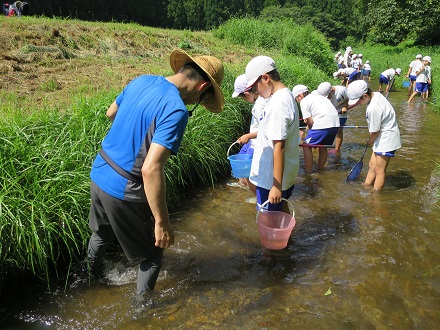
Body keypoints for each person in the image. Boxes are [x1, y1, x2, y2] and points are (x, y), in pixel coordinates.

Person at [87, 49, 225, 293]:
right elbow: (151, 169)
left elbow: (111, 113)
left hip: (99, 172)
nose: (198, 104)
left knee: (101, 233)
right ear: (202, 87)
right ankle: (142, 315)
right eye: (203, 99)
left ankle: (90, 280)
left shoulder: (142, 80)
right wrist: (162, 223)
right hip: (123, 188)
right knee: (153, 253)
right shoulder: (176, 110)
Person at [244, 55, 300, 213]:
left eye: (255, 88)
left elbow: (279, 147)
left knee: (269, 221)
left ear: (266, 78)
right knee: (281, 212)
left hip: (271, 180)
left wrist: (276, 186)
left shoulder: (277, 104)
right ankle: (288, 238)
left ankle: (276, 239)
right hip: (280, 177)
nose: (257, 93)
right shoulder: (285, 96)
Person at [347, 80, 401, 191]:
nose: (357, 104)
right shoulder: (376, 94)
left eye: (358, 101)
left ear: (365, 95)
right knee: (372, 165)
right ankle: (366, 185)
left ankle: (375, 195)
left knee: (379, 170)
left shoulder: (373, 108)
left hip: (387, 139)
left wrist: (369, 141)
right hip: (380, 137)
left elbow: (375, 132)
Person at [230, 73, 265, 192]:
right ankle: (243, 185)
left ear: (247, 93)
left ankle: (256, 195)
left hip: (256, 143)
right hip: (252, 142)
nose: (243, 100)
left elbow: (267, 130)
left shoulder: (260, 105)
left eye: (242, 97)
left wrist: (249, 136)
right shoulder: (259, 102)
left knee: (249, 172)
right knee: (240, 161)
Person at [292, 84, 340, 173]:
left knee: (306, 146)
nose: (297, 102)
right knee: (322, 146)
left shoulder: (304, 101)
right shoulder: (319, 97)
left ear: (300, 96)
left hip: (323, 124)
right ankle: (321, 169)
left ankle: (308, 172)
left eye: (296, 99)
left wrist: (308, 132)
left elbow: (310, 123)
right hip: (335, 124)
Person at [317, 81, 349, 159]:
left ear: (332, 90)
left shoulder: (343, 90)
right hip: (329, 111)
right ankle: (321, 147)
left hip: (341, 112)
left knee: (339, 130)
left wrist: (345, 107)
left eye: (328, 96)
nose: (327, 98)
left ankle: (337, 149)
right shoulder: (321, 93)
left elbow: (347, 99)